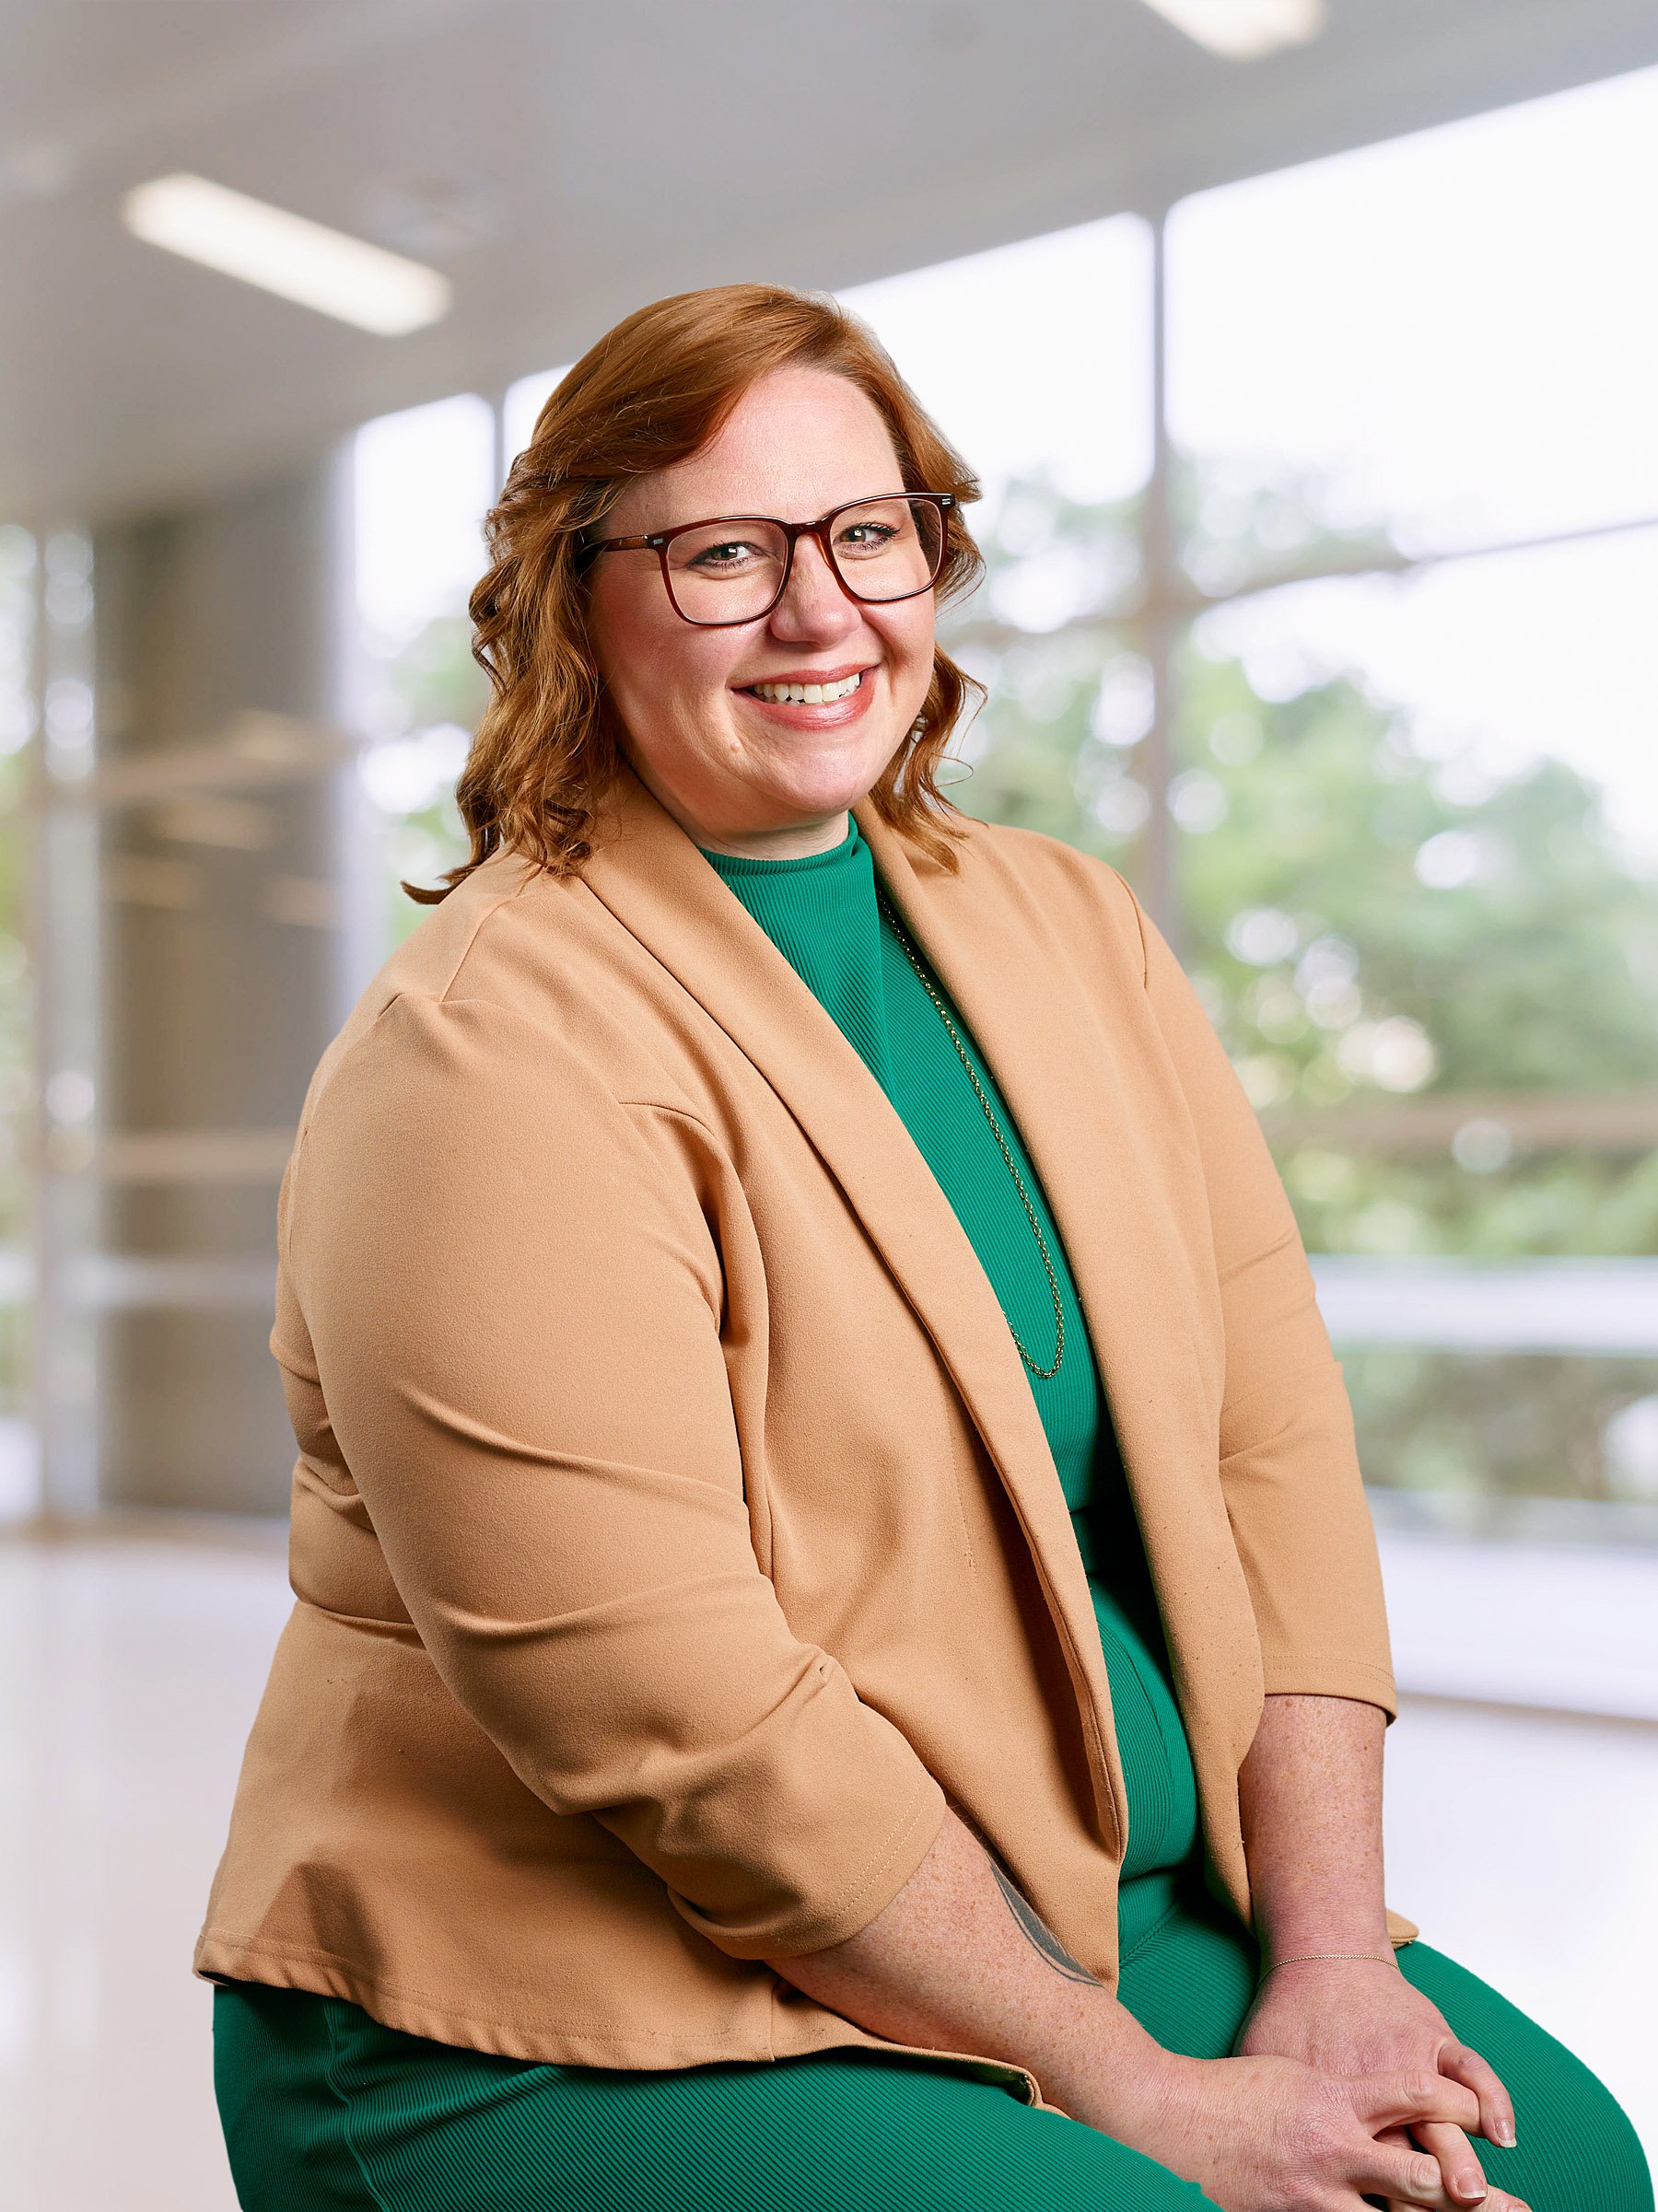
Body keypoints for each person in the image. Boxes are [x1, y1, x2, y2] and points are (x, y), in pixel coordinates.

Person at [196, 283, 1651, 2212]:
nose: (821, 611)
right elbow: (676, 1717)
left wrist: (1331, 1955)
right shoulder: (487, 1051)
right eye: (724, 553)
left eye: (868, 533)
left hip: (1085, 1900)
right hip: (558, 1991)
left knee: (1589, 2167)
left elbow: (1267, 1464)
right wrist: (1122, 2085)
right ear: (576, 594)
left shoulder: (1066, 928)